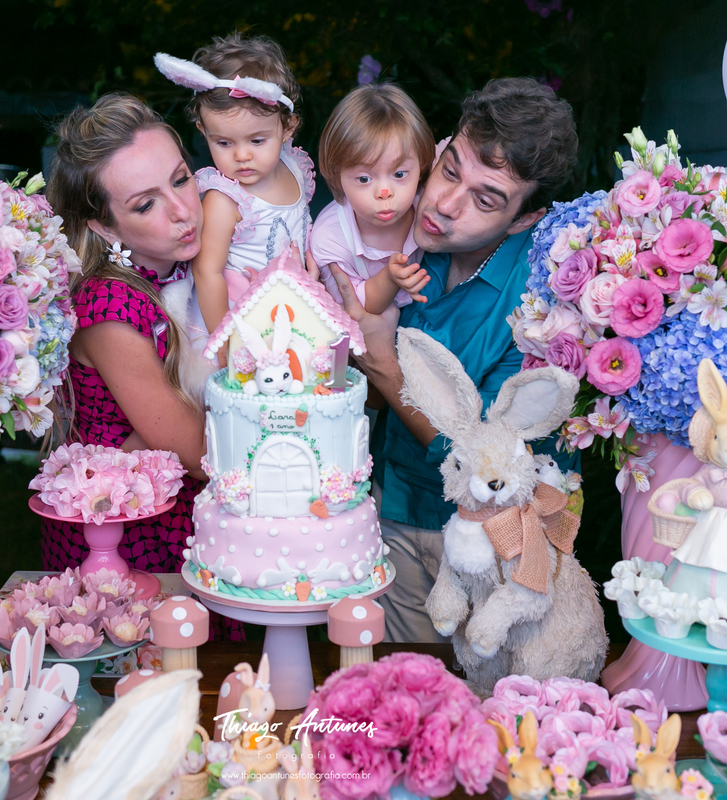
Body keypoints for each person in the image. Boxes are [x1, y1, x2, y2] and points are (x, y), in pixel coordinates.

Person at [327, 77, 581, 643]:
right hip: (392, 509)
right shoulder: (396, 235)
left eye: (484, 199)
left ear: (522, 220)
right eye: (449, 169)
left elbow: (484, 461)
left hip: (493, 551)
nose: (443, 204)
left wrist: (383, 363)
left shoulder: (539, 310)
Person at [42, 95, 244, 637]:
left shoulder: (191, 274)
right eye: (145, 204)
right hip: (134, 549)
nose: (183, 210)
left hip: (194, 523)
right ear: (104, 227)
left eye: (180, 180)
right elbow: (201, 452)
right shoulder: (110, 307)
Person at [156, 34, 317, 346]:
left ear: (288, 127)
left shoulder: (296, 169)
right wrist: (224, 340)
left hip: (288, 309)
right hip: (238, 317)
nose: (241, 156)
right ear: (203, 130)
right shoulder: (225, 200)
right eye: (224, 143)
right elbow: (207, 274)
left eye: (257, 141)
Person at [309, 82, 436, 314]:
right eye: (364, 179)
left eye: (399, 174)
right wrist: (389, 277)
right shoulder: (331, 238)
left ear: (423, 164)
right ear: (338, 177)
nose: (384, 192)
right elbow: (353, 309)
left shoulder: (429, 202)